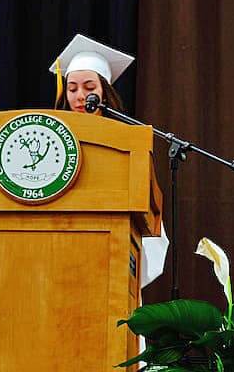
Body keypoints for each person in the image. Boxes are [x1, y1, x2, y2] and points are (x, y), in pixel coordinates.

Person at [49, 34, 169, 289]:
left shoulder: (125, 145)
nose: (80, 96)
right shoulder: (52, 143)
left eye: (89, 88)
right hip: (58, 251)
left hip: (111, 257)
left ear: (104, 91)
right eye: (72, 89)